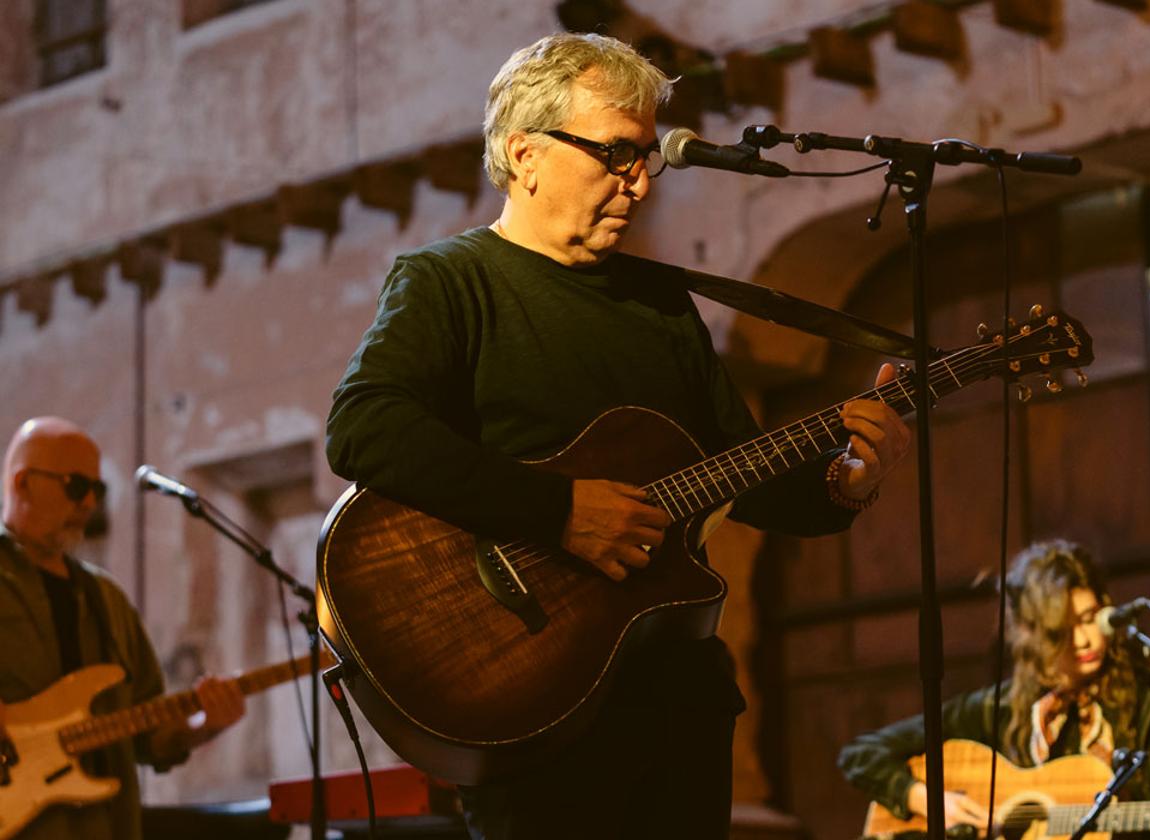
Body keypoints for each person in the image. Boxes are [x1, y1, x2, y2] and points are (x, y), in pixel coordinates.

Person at [326, 32, 910, 839]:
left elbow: (741, 473)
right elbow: (364, 429)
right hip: (530, 701)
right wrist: (557, 511)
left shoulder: (662, 307)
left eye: (646, 159)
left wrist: (850, 480)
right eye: (616, 154)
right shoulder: (449, 283)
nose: (639, 183)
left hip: (676, 702)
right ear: (526, 153)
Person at [838, 540, 1150, 840]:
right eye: (1063, 630)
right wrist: (926, 799)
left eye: (1090, 618)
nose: (1085, 640)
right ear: (1033, 637)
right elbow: (861, 754)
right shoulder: (1000, 710)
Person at [0, 417, 246, 840]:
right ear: (22, 483)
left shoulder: (106, 599)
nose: (89, 504)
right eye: (76, 486)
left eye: (98, 490)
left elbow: (148, 734)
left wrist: (204, 725)